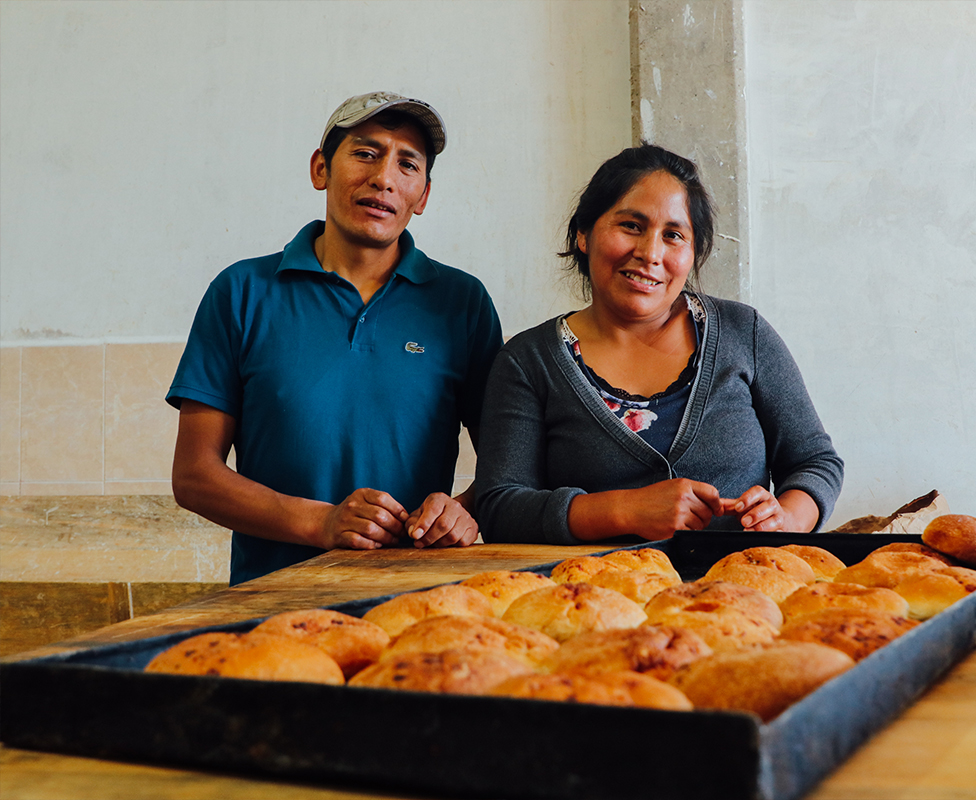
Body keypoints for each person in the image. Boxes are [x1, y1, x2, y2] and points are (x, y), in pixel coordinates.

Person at [167, 92, 503, 584]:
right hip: (272, 605)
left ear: (423, 195)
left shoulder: (461, 303)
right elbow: (195, 475)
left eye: (407, 164)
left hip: (418, 599)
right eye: (365, 153)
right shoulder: (242, 292)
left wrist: (460, 511)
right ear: (321, 169)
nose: (383, 178)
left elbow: (508, 463)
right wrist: (322, 522)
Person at [475, 143, 843, 545]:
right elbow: (500, 507)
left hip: (742, 593)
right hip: (593, 600)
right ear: (584, 233)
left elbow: (815, 462)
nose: (650, 253)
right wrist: (625, 510)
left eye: (673, 235)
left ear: (692, 253)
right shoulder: (528, 362)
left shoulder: (744, 332)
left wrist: (786, 518)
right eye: (631, 226)